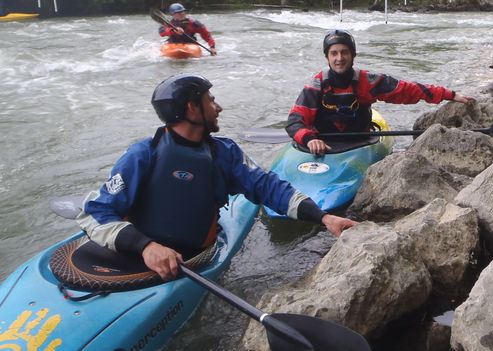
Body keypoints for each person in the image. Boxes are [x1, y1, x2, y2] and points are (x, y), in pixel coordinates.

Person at [77, 74, 357, 281]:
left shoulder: (224, 153)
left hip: (192, 259)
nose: (219, 107)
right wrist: (146, 246)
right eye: (210, 101)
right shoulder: (142, 154)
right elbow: (95, 212)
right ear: (191, 108)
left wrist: (324, 217)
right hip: (136, 253)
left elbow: (268, 188)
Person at [286, 30, 475, 155]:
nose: (339, 58)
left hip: (359, 143)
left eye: (345, 52)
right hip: (323, 144)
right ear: (327, 57)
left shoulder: (368, 81)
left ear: (353, 55)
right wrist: (309, 139)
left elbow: (409, 90)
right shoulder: (316, 85)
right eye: (334, 53)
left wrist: (449, 94)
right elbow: (295, 121)